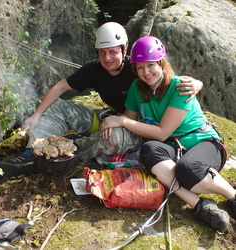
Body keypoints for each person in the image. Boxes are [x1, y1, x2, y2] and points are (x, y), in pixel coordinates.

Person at [0, 22, 203, 178]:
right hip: (115, 118)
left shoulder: (138, 68)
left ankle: (67, 155)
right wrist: (36, 115)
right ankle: (32, 154)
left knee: (112, 137)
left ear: (124, 50)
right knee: (60, 107)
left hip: (140, 130)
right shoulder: (94, 69)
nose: (107, 58)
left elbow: (166, 79)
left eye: (113, 52)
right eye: (102, 53)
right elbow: (61, 86)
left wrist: (197, 83)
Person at [99, 36, 236, 233]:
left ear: (162, 63)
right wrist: (114, 122)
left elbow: (162, 132)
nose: (146, 72)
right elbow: (130, 119)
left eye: (151, 65)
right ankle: (200, 205)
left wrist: (123, 121)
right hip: (174, 148)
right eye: (140, 67)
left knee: (187, 169)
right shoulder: (137, 89)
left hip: (203, 142)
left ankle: (232, 196)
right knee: (149, 150)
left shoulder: (180, 87)